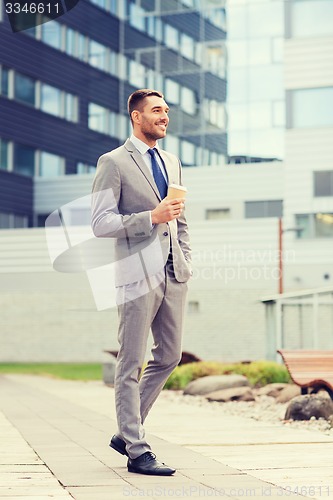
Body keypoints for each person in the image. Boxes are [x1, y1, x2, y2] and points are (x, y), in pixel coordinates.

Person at [91, 89, 192, 476]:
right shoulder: (113, 162)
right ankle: (136, 449)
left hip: (173, 273)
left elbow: (180, 218)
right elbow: (101, 223)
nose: (164, 117)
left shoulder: (172, 161)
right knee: (131, 360)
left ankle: (125, 431)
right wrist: (151, 216)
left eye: (166, 110)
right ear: (136, 117)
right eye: (156, 111)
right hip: (136, 275)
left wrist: (185, 258)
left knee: (169, 355)